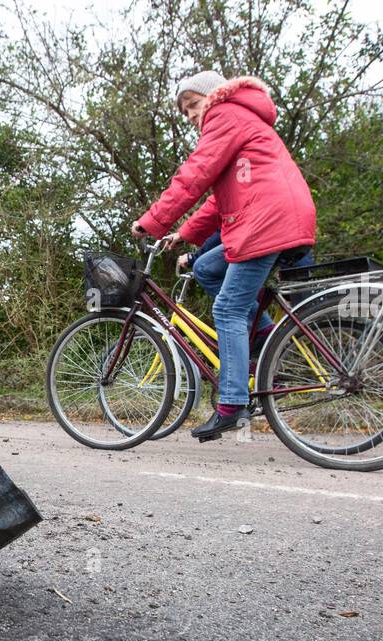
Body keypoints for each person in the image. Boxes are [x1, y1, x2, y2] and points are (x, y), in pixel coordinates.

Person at [133, 71, 317, 441]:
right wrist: (183, 234)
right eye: (183, 111)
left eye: (192, 105)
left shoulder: (225, 113)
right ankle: (264, 334)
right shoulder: (241, 120)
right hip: (273, 214)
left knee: (228, 309)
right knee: (206, 268)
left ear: (213, 96)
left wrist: (151, 221)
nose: (189, 115)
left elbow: (194, 176)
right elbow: (218, 199)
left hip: (266, 219)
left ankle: (232, 404)